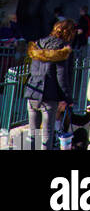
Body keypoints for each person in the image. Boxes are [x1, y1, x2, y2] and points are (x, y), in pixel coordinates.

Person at [24, 18, 76, 150]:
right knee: (47, 134)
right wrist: (67, 99)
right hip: (49, 95)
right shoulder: (62, 49)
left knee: (32, 133)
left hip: (33, 91)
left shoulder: (39, 44)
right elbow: (62, 77)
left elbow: (32, 70)